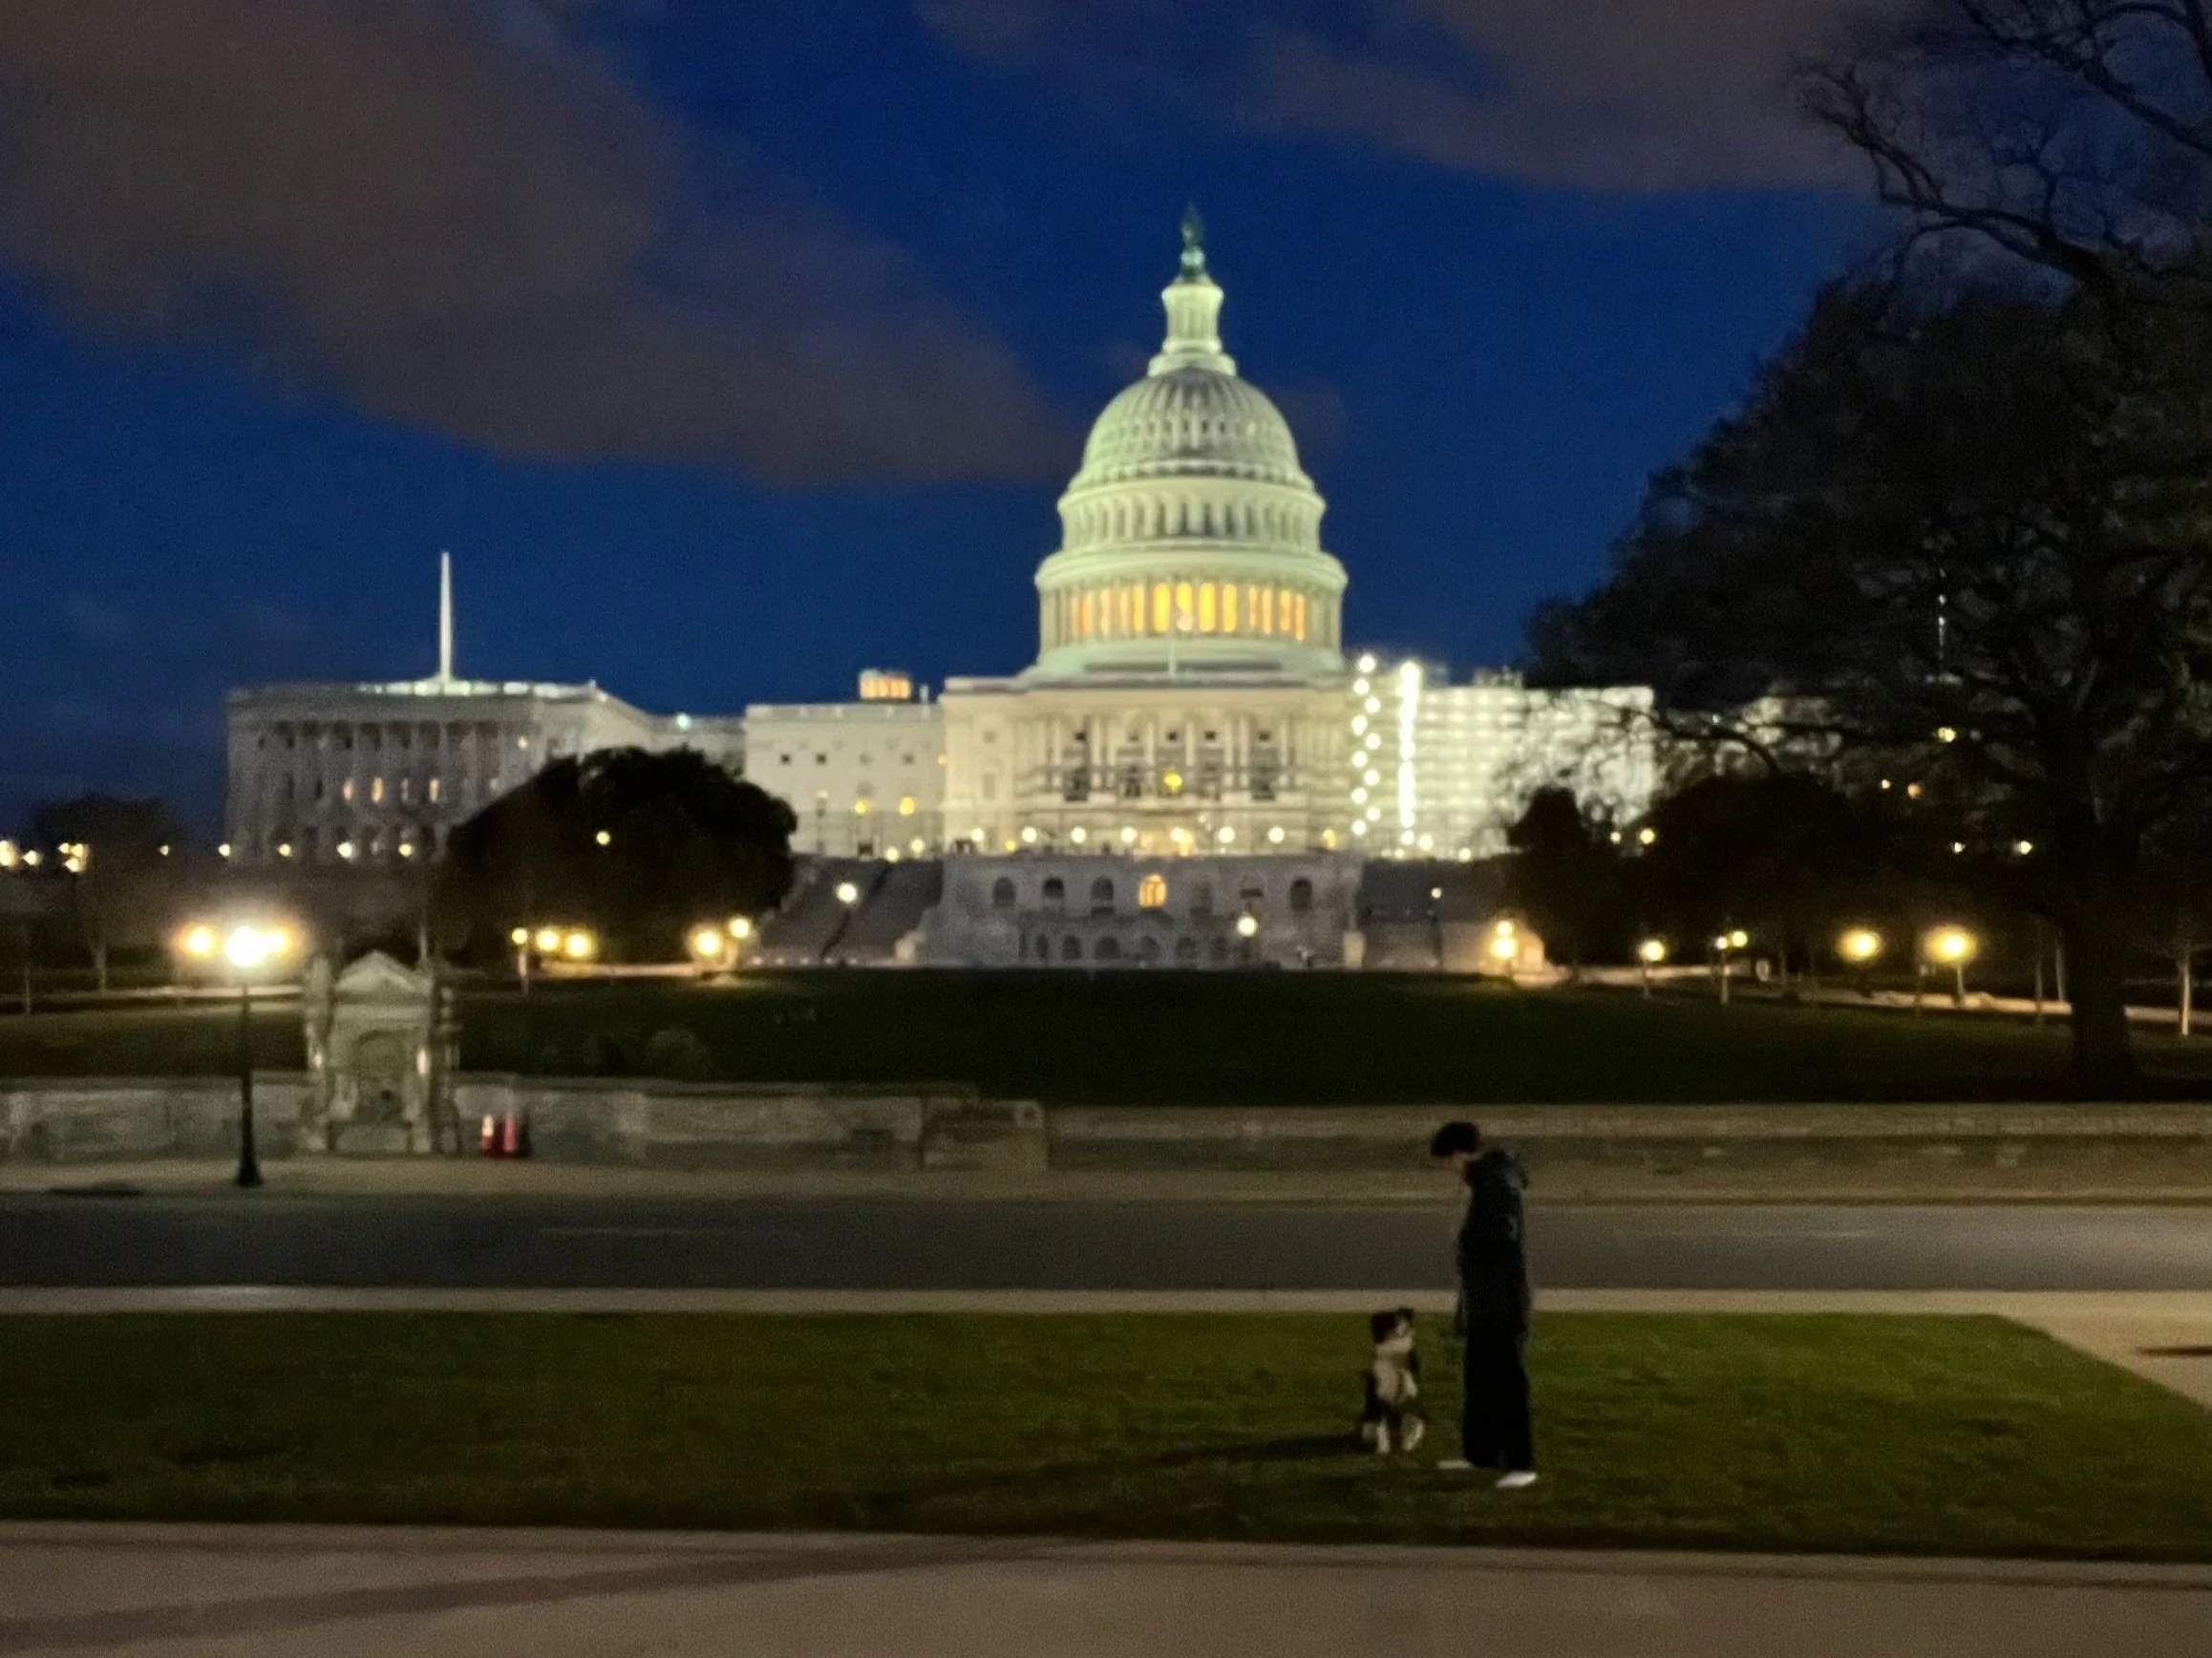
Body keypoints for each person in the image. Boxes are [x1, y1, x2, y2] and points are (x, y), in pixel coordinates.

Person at [1429, 1119, 1537, 1489]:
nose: (1451, 1170)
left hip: (1502, 1301)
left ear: (1459, 1155)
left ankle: (1521, 1462)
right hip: (1485, 1300)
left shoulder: (1494, 1183)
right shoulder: (1490, 1180)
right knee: (1479, 1378)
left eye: (1449, 1162)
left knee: (1507, 1381)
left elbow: (1502, 1236)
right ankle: (1480, 1453)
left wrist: (1471, 1248)